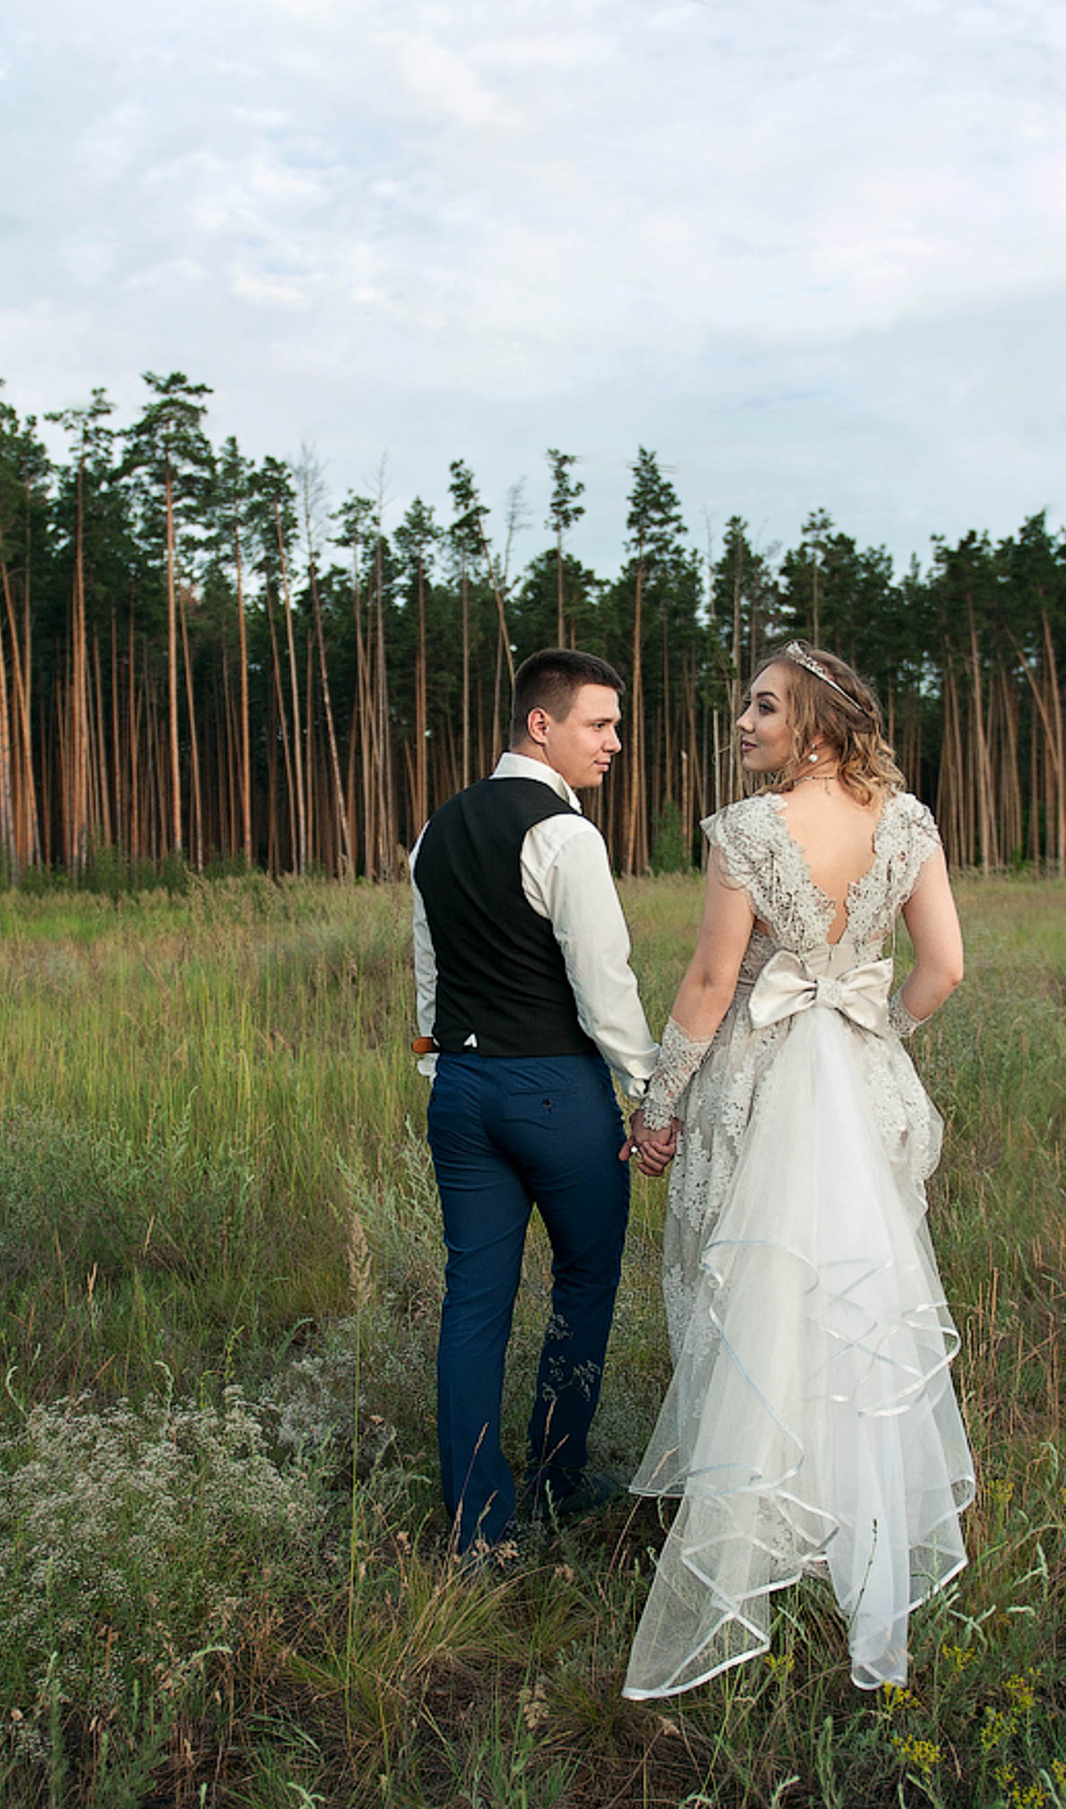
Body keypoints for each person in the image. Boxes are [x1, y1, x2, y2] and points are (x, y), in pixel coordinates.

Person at [622, 641, 974, 1696]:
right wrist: (878, 1029)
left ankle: (755, 1541)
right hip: (860, 1089)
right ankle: (853, 1536)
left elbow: (713, 979)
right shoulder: (908, 826)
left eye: (765, 708)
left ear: (817, 726)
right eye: (745, 707)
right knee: (855, 1312)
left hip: (760, 1087)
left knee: (758, 1310)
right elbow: (944, 968)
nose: (744, 723)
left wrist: (657, 1103)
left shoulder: (746, 835)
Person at [411, 648, 674, 1559]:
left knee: (472, 1303)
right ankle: (557, 1481)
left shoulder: (435, 831)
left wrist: (441, 1069)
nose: (613, 744)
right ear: (541, 724)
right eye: (599, 725)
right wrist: (648, 1094)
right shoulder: (566, 836)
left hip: (462, 1091)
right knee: (584, 1278)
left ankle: (476, 1529)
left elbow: (431, 975)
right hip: (556, 1090)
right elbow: (605, 985)